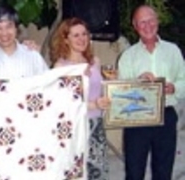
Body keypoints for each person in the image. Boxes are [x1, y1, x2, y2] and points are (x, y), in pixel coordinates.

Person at [118, 5, 185, 180]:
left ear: (157, 21)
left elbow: (183, 79)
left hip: (166, 116)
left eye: (150, 20)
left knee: (163, 172)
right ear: (135, 26)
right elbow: (120, 93)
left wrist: (174, 88)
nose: (147, 26)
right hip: (136, 119)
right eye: (142, 22)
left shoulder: (173, 51)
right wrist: (138, 83)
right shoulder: (127, 56)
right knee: (134, 172)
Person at [49, 17, 110, 180]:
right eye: (75, 35)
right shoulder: (60, 67)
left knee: (97, 172)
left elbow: (100, 91)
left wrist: (110, 88)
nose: (82, 39)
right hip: (74, 127)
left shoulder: (94, 62)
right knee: (75, 173)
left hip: (96, 125)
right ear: (65, 39)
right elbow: (61, 103)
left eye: (84, 34)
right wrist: (93, 104)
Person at [0, 5, 48, 78]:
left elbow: (47, 84)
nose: (4, 33)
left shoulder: (33, 56)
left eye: (9, 26)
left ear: (16, 28)